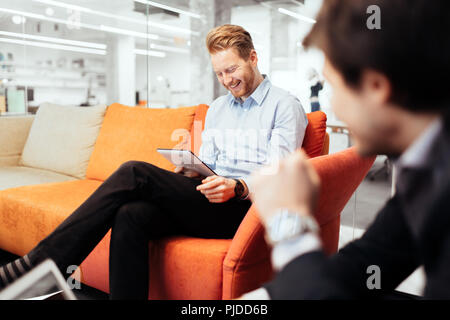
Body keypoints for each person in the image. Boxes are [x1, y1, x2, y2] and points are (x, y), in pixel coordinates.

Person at [0, 24, 308, 299]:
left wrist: (238, 186)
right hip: (211, 197)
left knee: (135, 172)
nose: (227, 80)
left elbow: (279, 176)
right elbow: (211, 165)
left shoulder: (284, 106)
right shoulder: (218, 109)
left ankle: (42, 264)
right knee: (130, 213)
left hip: (246, 207)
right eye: (219, 73)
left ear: (252, 58)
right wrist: (192, 166)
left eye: (232, 69)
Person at [243, 0, 450, 299]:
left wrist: (289, 226)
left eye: (334, 88)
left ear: (376, 87)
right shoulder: (427, 163)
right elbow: (369, 262)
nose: (332, 106)